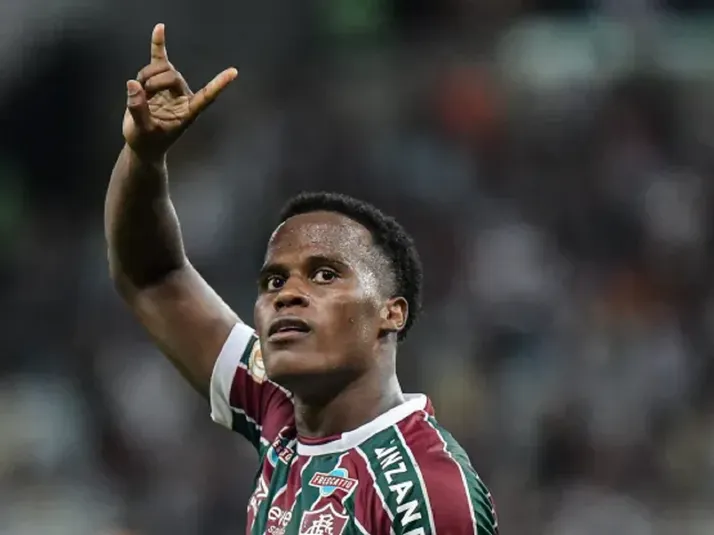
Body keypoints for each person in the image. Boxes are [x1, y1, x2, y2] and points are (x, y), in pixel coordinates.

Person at [105, 23, 498, 535]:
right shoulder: (277, 406)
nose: (288, 293)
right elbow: (151, 276)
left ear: (391, 312)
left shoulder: (426, 495)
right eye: (273, 281)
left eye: (325, 274)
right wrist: (143, 157)